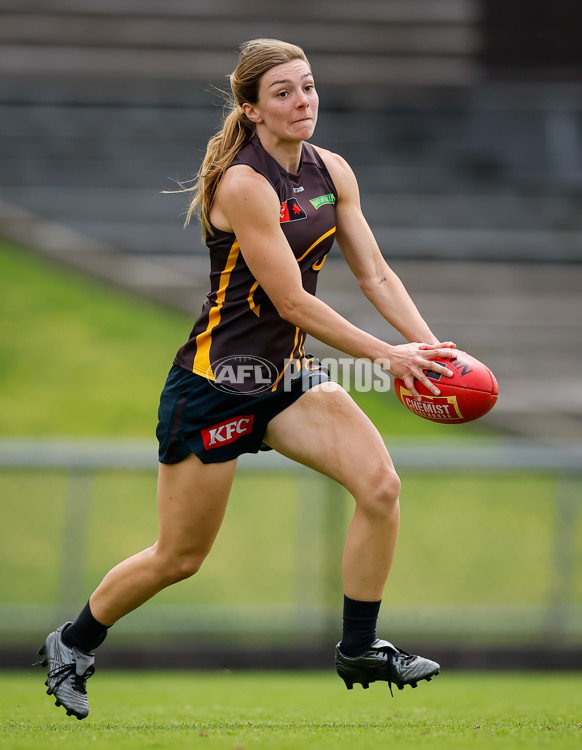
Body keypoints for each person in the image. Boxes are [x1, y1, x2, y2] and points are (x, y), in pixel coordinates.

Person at [38, 38, 457, 720]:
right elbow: (291, 301)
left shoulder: (333, 171)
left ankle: (359, 646)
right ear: (253, 110)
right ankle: (74, 641)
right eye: (284, 92)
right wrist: (386, 357)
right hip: (216, 384)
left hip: (287, 377)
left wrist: (428, 346)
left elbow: (375, 272)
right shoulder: (243, 183)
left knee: (381, 486)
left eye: (309, 87)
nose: (303, 102)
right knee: (180, 557)